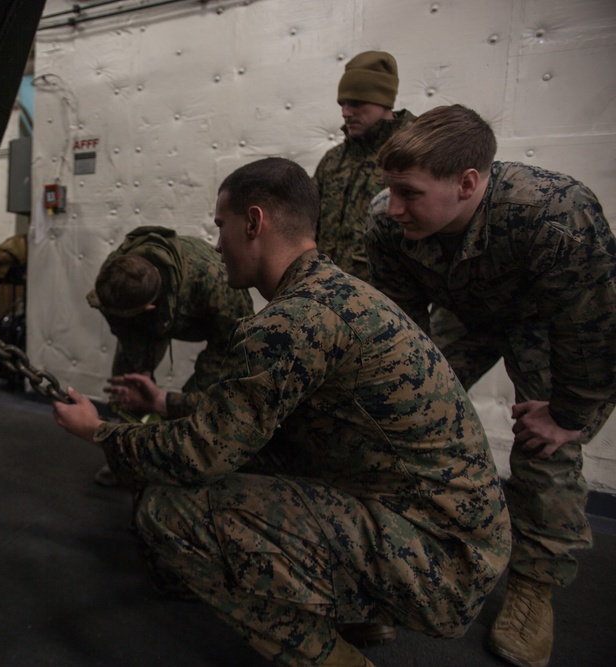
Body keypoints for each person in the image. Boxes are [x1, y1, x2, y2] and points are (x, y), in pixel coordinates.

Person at [55, 157, 511, 666]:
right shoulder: (331, 293)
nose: (217, 243)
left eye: (220, 226)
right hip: (450, 535)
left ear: (254, 222)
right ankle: (349, 601)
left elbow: (200, 452)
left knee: (167, 509)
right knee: (249, 461)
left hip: (440, 563)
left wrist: (100, 432)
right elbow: (248, 418)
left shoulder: (291, 322)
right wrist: (163, 401)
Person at [365, 104, 616, 667]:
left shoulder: (555, 214)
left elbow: (593, 328)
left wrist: (569, 416)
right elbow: (400, 329)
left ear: (467, 183)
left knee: (545, 445)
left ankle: (534, 584)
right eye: (391, 191)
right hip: (466, 315)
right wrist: (409, 400)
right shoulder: (387, 221)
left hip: (548, 327)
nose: (395, 207)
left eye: (409, 193)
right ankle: (392, 550)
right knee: (394, 417)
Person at [87, 225, 254, 484]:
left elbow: (229, 344)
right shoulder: (115, 274)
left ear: (150, 306)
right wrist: (139, 370)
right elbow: (123, 325)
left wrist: (170, 402)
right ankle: (129, 458)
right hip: (144, 320)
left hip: (220, 332)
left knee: (197, 399)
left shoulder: (217, 283)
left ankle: (186, 464)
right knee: (127, 387)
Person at [313, 50, 415, 282]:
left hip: (388, 299)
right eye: (343, 103)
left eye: (356, 103)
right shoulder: (333, 160)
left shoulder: (413, 155)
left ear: (384, 101)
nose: (346, 113)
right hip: (325, 293)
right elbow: (306, 225)